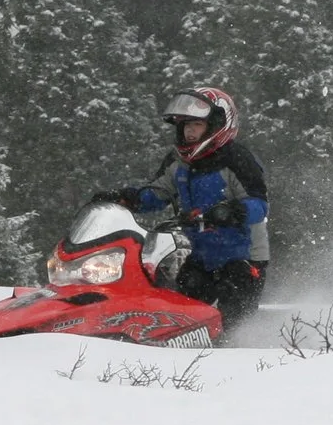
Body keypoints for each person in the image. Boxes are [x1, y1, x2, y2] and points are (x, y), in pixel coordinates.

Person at [98, 87, 269, 328]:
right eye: (185, 125)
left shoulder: (237, 159)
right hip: (200, 255)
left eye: (196, 125)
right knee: (180, 318)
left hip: (243, 258)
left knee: (232, 323)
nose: (189, 131)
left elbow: (259, 205)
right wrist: (127, 199)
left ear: (217, 124)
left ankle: (245, 348)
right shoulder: (179, 162)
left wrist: (231, 211)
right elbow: (158, 192)